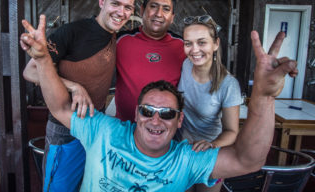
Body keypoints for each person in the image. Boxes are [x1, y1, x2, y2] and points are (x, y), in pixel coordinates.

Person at [20, 14, 298, 191]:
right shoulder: (106, 131)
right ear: (136, 115)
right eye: (147, 110)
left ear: (179, 119)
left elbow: (248, 159)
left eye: (166, 113)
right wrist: (44, 59)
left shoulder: (185, 158)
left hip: (203, 144)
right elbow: (59, 107)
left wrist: (263, 96)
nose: (155, 119)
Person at [22, 0, 140, 191]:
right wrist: (75, 86)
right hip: (64, 128)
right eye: (115, 3)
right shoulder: (72, 32)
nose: (121, 12)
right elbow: (30, 71)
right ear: (102, 1)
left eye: (127, 7)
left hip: (96, 126)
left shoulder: (116, 36)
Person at [176, 15, 241, 192]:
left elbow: (232, 131)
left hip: (210, 153)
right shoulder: (185, 65)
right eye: (188, 43)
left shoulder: (228, 84)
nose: (194, 50)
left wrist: (212, 145)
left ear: (216, 44)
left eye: (202, 42)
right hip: (182, 149)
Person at [115, 0, 185, 122]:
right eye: (153, 6)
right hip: (125, 128)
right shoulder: (120, 41)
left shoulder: (183, 46)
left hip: (164, 130)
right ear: (142, 10)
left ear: (172, 17)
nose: (159, 14)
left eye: (166, 9)